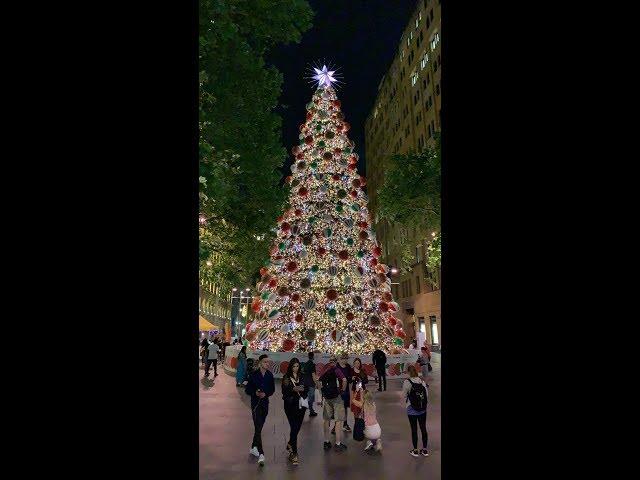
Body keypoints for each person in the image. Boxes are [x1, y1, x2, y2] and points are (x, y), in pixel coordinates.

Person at [245, 354, 275, 466]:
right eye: (265, 362)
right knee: (258, 426)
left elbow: (272, 390)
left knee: (259, 427)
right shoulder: (253, 375)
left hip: (265, 404)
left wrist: (266, 393)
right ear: (260, 363)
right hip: (255, 405)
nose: (267, 364)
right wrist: (255, 393)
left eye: (268, 362)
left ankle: (253, 447)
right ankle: (261, 453)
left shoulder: (270, 375)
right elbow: (247, 390)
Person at [282, 358, 308, 466]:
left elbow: (307, 388)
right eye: (294, 366)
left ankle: (289, 444)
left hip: (301, 406)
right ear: (290, 367)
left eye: (297, 366)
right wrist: (293, 389)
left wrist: (303, 389)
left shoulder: (302, 376)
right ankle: (294, 453)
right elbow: (284, 391)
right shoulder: (286, 377)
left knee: (297, 427)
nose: (296, 368)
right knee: (294, 427)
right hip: (290, 405)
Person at [318, 355, 348, 451]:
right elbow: (344, 380)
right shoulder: (336, 370)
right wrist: (342, 390)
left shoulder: (325, 369)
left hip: (327, 398)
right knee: (338, 420)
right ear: (335, 362)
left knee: (326, 420)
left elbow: (319, 382)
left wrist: (322, 393)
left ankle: (326, 442)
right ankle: (338, 443)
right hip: (336, 397)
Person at [402, 364, 429, 457]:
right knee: (423, 428)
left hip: (411, 409)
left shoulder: (407, 382)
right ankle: (425, 450)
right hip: (422, 409)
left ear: (409, 372)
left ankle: (415, 450)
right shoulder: (422, 381)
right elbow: (426, 395)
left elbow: (404, 396)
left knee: (414, 429)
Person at [332, 354, 354, 434]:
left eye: (346, 358)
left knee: (345, 408)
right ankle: (335, 426)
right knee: (337, 409)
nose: (344, 360)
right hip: (338, 391)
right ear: (339, 359)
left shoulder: (348, 367)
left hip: (346, 391)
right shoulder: (336, 367)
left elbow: (350, 378)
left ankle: (345, 424)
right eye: (342, 358)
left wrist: (351, 378)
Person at [302, 352, 318, 417]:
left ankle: (305, 410)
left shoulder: (305, 364)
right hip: (311, 384)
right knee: (311, 398)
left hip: (305, 383)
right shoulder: (312, 364)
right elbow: (313, 376)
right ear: (313, 356)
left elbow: (303, 372)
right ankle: (311, 411)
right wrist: (316, 383)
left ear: (308, 356)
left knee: (306, 397)